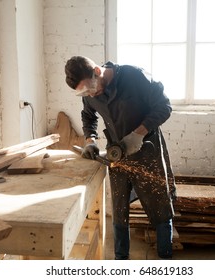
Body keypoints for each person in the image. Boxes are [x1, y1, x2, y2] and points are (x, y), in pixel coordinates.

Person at [64, 56, 176, 260]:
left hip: (146, 148)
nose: (90, 94)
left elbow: (164, 106)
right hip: (117, 153)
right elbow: (89, 116)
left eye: (90, 88)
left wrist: (138, 134)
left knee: (159, 205)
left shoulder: (135, 76)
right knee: (119, 207)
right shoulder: (89, 91)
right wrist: (90, 140)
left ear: (97, 71)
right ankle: (120, 260)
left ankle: (165, 257)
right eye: (84, 92)